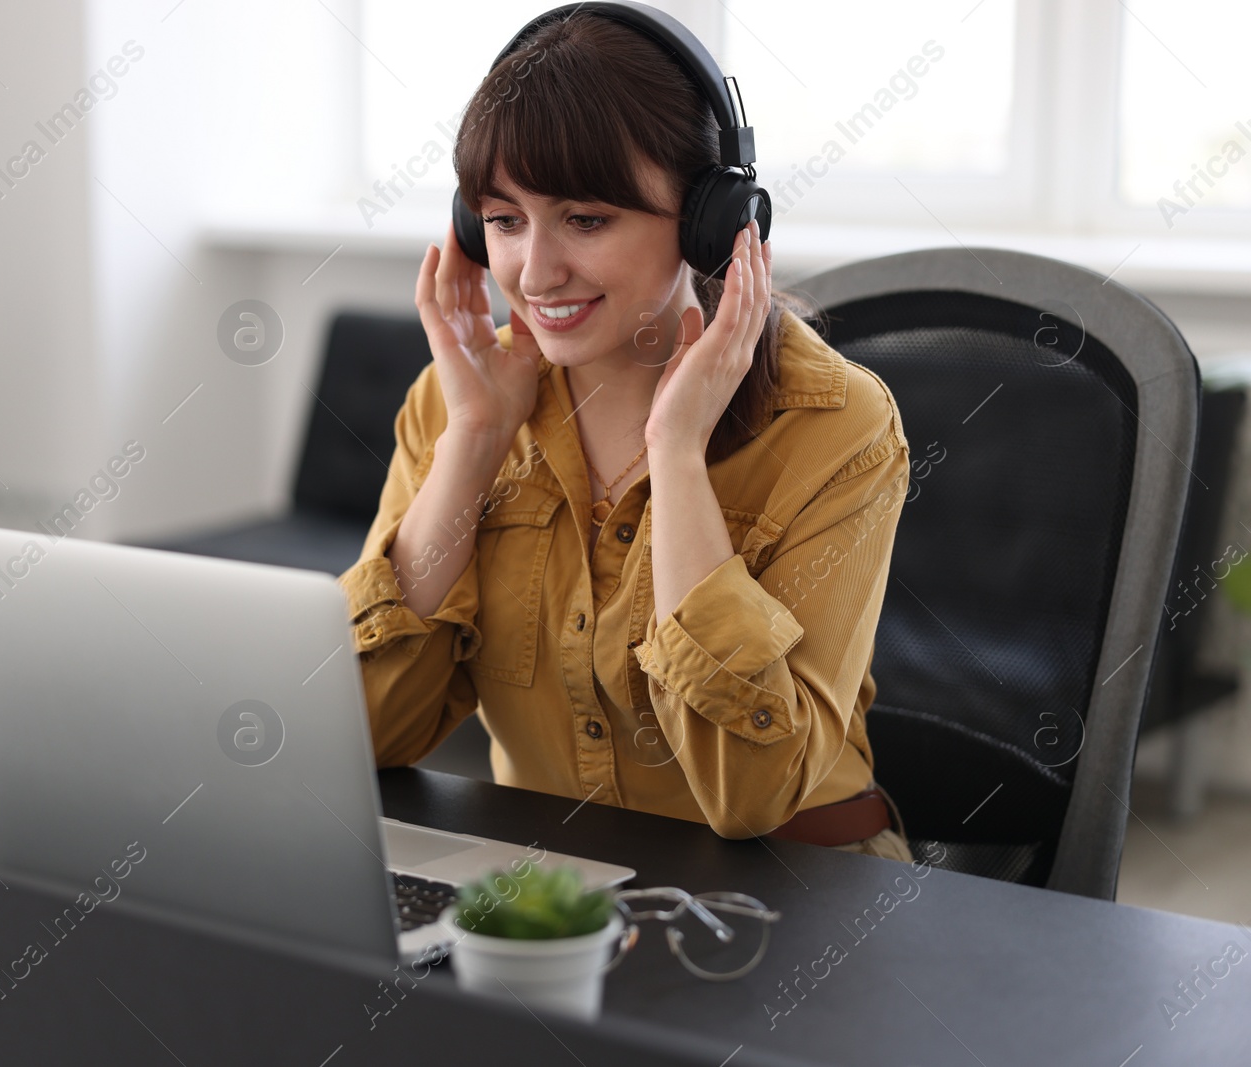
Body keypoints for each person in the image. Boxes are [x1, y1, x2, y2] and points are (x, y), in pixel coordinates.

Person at [337, 11, 913, 862]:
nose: (535, 273)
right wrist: (475, 439)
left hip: (794, 900)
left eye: (586, 219)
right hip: (554, 896)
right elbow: (370, 734)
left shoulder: (837, 427)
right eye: (504, 219)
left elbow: (750, 797)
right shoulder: (457, 404)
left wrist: (676, 456)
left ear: (709, 220)